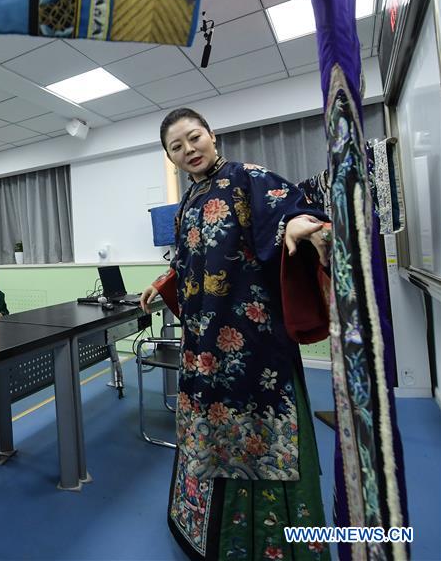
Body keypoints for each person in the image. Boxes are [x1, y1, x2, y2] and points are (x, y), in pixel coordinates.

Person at [138, 108, 331, 560]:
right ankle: (207, 534)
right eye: (176, 146)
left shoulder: (249, 177)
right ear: (170, 157)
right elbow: (192, 258)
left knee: (258, 432)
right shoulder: (187, 202)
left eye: (194, 137)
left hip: (253, 342)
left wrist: (302, 226)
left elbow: (292, 211)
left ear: (212, 134)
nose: (189, 150)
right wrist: (164, 282)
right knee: (208, 430)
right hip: (202, 344)